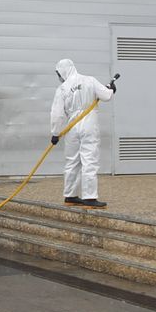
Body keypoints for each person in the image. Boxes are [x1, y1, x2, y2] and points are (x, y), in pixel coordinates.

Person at [49, 59, 118, 209]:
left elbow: (57, 114)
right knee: (89, 160)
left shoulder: (62, 89)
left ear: (63, 71)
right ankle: (89, 197)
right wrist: (112, 89)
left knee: (72, 161)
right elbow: (106, 96)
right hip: (88, 125)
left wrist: (55, 133)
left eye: (58, 73)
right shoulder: (89, 80)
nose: (59, 77)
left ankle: (70, 195)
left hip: (71, 127)